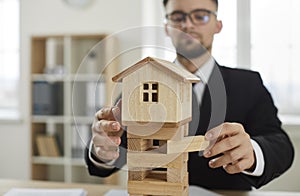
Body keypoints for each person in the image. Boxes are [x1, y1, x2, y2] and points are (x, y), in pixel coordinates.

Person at [85, 0, 294, 190]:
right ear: (167, 27)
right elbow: (115, 145)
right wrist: (101, 150)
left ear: (217, 25)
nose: (188, 25)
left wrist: (252, 152)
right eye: (177, 17)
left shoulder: (248, 84)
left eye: (200, 15)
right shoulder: (141, 83)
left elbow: (280, 144)